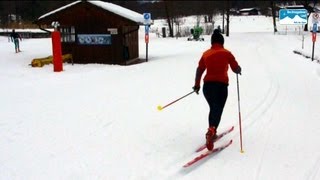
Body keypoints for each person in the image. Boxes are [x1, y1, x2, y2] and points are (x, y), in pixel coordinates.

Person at [192, 29, 241, 151]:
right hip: (221, 86)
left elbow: (199, 70)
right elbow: (235, 67)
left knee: (214, 108)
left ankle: (212, 130)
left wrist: (197, 85)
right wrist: (238, 70)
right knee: (217, 108)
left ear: (212, 42)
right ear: (222, 42)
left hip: (207, 87)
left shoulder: (206, 54)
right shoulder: (227, 53)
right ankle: (211, 131)